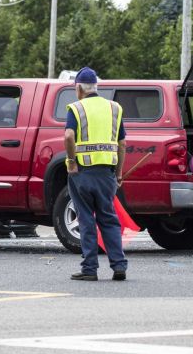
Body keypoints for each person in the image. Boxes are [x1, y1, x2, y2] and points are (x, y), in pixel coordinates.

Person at [64, 66, 128, 281]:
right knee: (109, 219)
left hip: (82, 173)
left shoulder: (76, 108)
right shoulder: (115, 108)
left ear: (79, 88)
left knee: (86, 220)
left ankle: (89, 269)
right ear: (96, 87)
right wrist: (119, 173)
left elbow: (68, 136)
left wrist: (72, 163)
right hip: (107, 174)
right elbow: (122, 143)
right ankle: (119, 266)